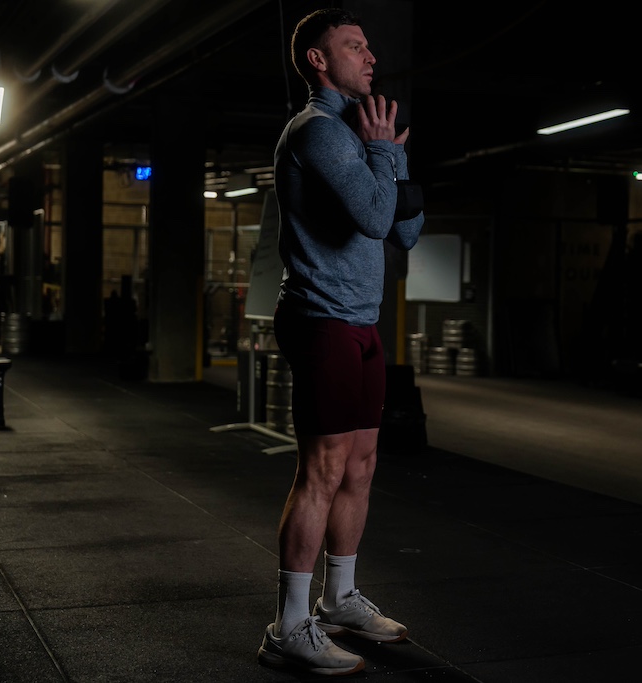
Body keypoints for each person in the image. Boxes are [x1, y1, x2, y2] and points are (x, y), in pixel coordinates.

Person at [257, 7, 424, 677]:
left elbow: (405, 234)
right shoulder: (316, 133)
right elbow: (380, 213)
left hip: (362, 320)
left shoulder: (361, 140)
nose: (370, 56)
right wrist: (388, 160)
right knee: (322, 470)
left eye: (370, 46)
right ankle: (288, 625)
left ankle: (338, 597)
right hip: (321, 317)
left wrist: (392, 156)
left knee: (361, 465)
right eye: (354, 46)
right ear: (319, 61)